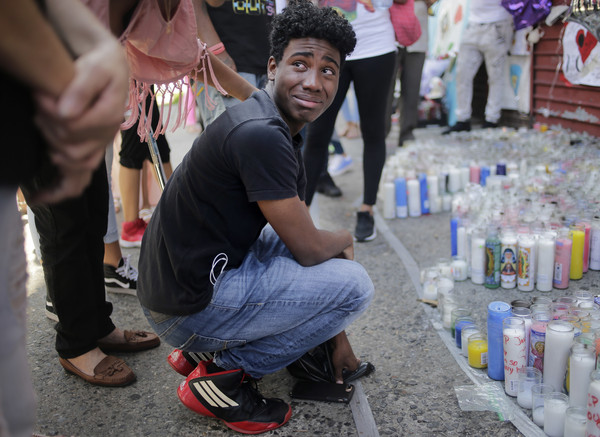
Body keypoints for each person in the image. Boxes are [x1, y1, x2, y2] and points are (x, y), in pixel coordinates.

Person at [138, 1, 374, 434]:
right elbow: (309, 250)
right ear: (272, 66)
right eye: (300, 63)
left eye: (328, 70)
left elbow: (301, 244)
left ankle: (199, 352)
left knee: (304, 243)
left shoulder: (264, 111)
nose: (314, 81)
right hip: (185, 309)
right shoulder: (262, 136)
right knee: (354, 284)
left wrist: (336, 338)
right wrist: (343, 239)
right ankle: (223, 376)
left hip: (175, 287)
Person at [0, 0, 134, 432]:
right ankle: (75, 342)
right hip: (33, 82)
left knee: (92, 217)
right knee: (63, 225)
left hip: (69, 77)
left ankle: (95, 323)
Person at [302, 0, 398, 242]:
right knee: (317, 133)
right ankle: (300, 213)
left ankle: (367, 209)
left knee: (374, 132)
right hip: (330, 46)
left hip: (377, 47)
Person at [194, 0, 274, 127]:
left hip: (268, 62)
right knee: (235, 139)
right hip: (230, 62)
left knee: (270, 140)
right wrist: (217, 50)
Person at [442, 0, 514, 133]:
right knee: (462, 74)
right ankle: (462, 119)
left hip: (498, 24)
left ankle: (492, 119)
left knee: (495, 76)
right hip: (473, 24)